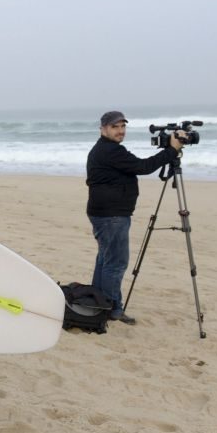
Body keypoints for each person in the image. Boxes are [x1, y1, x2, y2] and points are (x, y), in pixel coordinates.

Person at [86, 110, 182, 325]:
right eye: (115, 127)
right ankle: (113, 309)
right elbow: (142, 167)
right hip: (111, 216)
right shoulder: (109, 151)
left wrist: (169, 151)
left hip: (106, 214)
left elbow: (136, 167)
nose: (120, 131)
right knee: (116, 263)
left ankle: (99, 302)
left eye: (122, 127)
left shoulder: (107, 149)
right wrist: (172, 151)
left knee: (106, 259)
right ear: (103, 129)